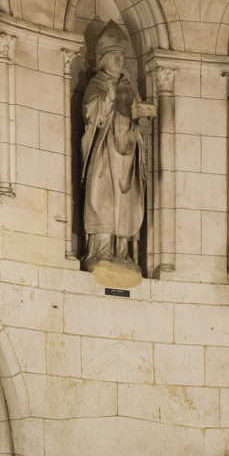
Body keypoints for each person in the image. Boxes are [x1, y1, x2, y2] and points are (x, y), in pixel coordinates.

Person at [81, 21, 155, 279]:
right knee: (102, 199)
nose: (119, 60)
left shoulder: (129, 88)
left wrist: (142, 117)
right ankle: (100, 252)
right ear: (101, 59)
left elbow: (138, 120)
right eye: (114, 56)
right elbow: (92, 115)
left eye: (122, 56)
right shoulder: (98, 84)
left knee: (128, 202)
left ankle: (123, 252)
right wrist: (110, 96)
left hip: (128, 152)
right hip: (104, 154)